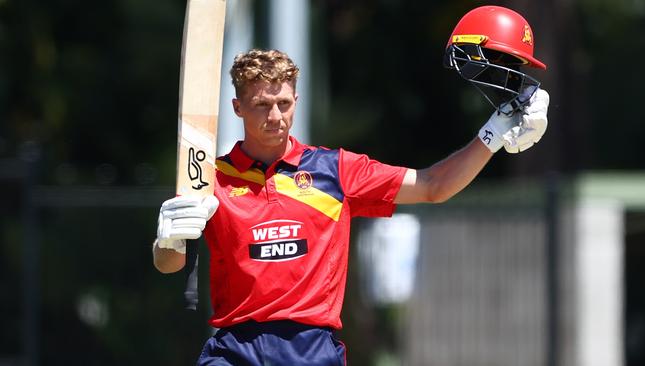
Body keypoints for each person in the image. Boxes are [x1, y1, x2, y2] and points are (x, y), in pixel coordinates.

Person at [153, 5, 550, 366]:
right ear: (238, 107)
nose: (275, 117)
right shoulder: (209, 178)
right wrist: (167, 238)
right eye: (260, 105)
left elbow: (433, 186)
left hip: (311, 350)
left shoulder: (336, 170)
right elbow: (169, 264)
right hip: (234, 350)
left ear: (296, 99)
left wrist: (493, 134)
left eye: (284, 104)